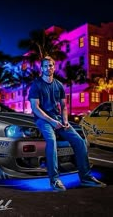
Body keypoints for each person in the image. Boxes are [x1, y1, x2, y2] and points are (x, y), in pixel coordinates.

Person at [28, 56, 106, 191]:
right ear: (42, 69)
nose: (48, 68)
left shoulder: (58, 85)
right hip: (43, 119)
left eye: (51, 65)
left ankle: (86, 178)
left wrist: (64, 121)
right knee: (51, 141)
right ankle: (54, 180)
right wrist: (52, 121)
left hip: (58, 118)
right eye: (45, 66)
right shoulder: (36, 85)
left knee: (80, 141)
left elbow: (64, 106)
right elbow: (35, 108)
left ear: (54, 67)